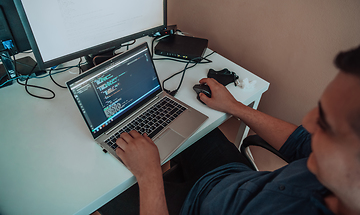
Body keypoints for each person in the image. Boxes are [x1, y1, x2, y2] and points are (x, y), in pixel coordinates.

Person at [99, 45, 360, 215]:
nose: (309, 121)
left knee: (97, 197)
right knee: (181, 118)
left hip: (192, 207)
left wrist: (150, 175)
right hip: (231, 176)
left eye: (327, 124)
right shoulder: (337, 177)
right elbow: (299, 142)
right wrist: (234, 107)